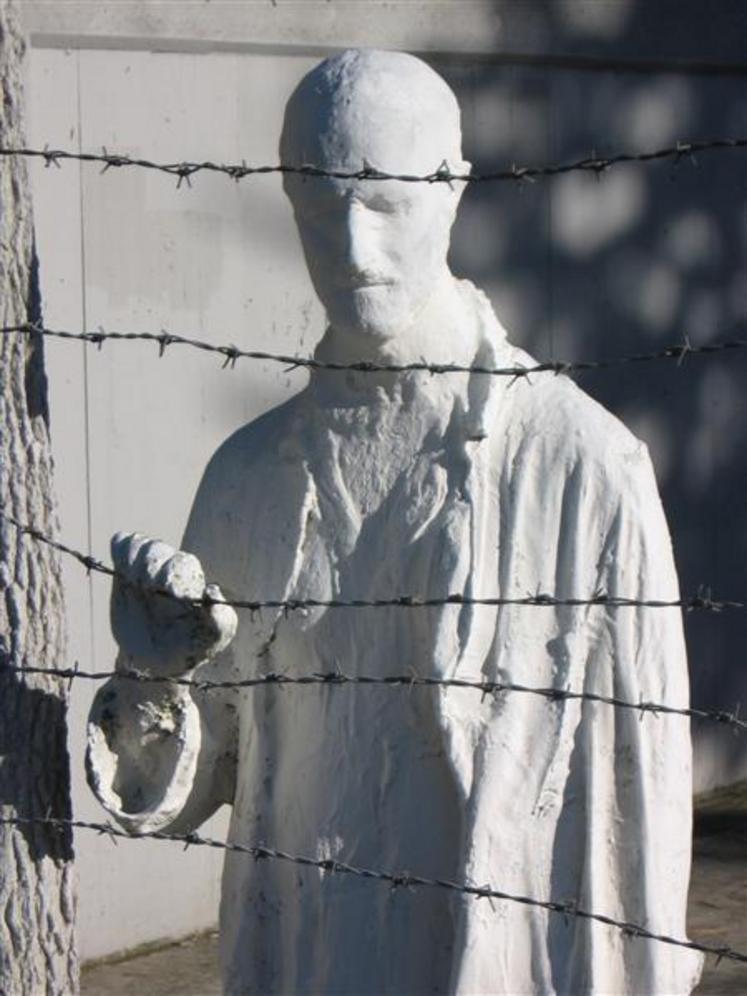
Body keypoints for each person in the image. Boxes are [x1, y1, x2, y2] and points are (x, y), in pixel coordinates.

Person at [87, 49, 702, 994]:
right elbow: (192, 784)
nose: (352, 249)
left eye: (383, 203)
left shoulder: (580, 466)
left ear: (452, 190)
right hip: (302, 959)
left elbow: (639, 825)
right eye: (318, 205)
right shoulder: (247, 475)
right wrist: (159, 673)